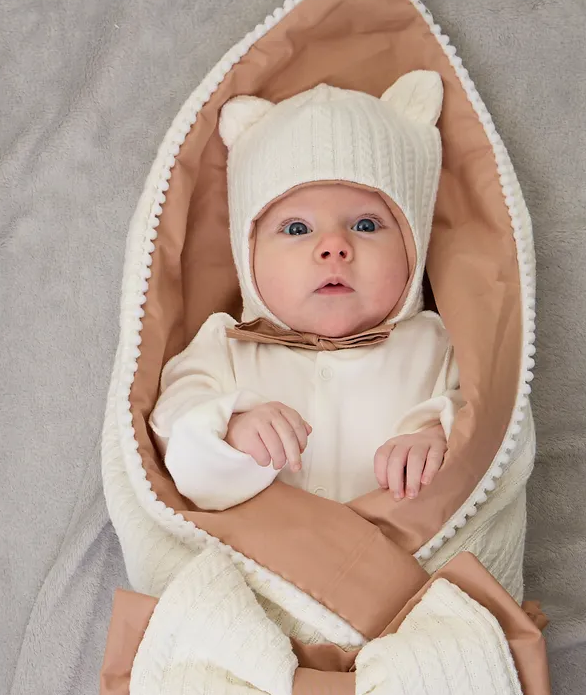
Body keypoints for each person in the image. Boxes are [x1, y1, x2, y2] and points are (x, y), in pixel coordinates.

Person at [149, 70, 463, 512]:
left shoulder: (439, 346)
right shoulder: (226, 346)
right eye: (297, 229)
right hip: (262, 548)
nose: (334, 247)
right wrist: (230, 427)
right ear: (247, 254)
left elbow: (489, 423)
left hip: (401, 546)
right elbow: (171, 429)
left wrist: (439, 436)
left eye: (366, 225)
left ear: (415, 246)